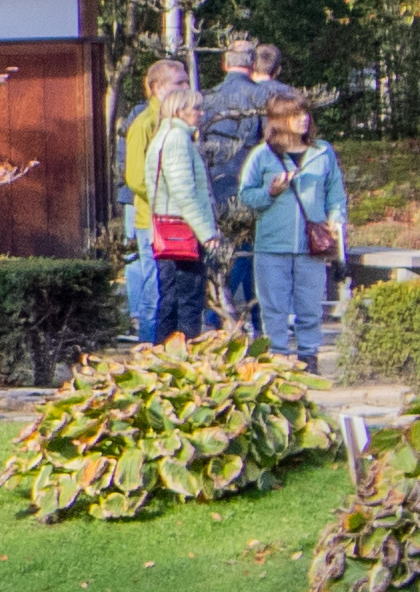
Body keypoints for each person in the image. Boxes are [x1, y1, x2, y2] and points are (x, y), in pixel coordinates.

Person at [236, 92, 353, 363]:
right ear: (279, 120)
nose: (304, 119)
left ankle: (308, 357)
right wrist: (270, 192)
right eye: (296, 115)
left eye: (305, 113)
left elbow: (336, 193)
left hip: (312, 245)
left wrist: (336, 218)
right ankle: (276, 358)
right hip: (272, 244)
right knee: (273, 307)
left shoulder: (322, 151)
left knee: (310, 305)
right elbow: (246, 195)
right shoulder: (263, 155)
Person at [120, 60, 218, 342]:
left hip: (165, 221)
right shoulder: (155, 128)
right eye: (179, 84)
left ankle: (160, 353)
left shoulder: (169, 130)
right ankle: (158, 352)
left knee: (168, 294)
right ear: (157, 88)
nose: (186, 88)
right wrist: (205, 231)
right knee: (168, 297)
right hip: (168, 224)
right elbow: (142, 179)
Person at [192, 36, 286, 201]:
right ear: (254, 65)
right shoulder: (265, 96)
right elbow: (273, 142)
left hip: (214, 182)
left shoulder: (206, 98)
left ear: (224, 64)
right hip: (251, 182)